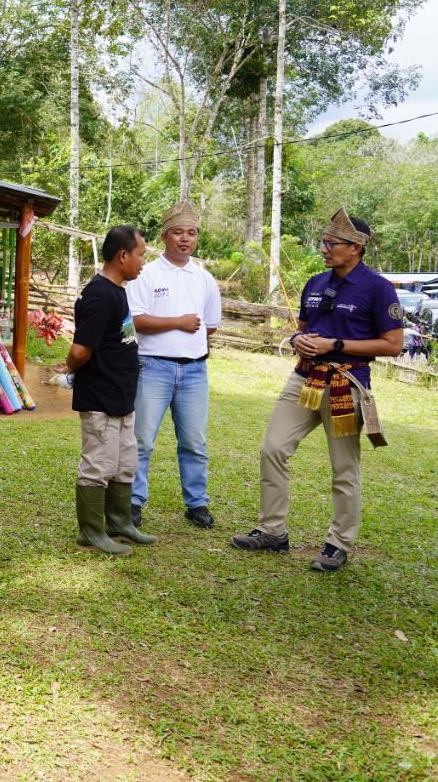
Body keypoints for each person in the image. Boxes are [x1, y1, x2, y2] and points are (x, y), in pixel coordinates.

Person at [231, 208, 403, 572]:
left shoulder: (377, 288)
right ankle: (272, 531)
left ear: (355, 247)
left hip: (345, 383)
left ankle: (338, 544)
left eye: (331, 243)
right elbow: (304, 330)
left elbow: (392, 345)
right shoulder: (315, 282)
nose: (324, 248)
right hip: (304, 380)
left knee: (344, 467)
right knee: (272, 448)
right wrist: (298, 339)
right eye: (323, 242)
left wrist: (334, 345)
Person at [126, 200, 222, 530]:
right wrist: (177, 323)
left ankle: (197, 503)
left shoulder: (205, 278)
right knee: (142, 440)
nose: (185, 239)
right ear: (164, 236)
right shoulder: (146, 273)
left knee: (194, 441)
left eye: (192, 233)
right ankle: (134, 501)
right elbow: (136, 321)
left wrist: (187, 337)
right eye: (178, 232)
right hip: (153, 366)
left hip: (195, 370)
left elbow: (210, 324)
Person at [66, 225, 156, 556]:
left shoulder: (117, 290)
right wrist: (67, 368)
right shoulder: (100, 294)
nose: (143, 262)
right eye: (141, 254)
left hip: (121, 396)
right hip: (101, 397)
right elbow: (79, 351)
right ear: (123, 256)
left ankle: (119, 522)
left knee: (123, 462)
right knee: (99, 463)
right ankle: (91, 532)